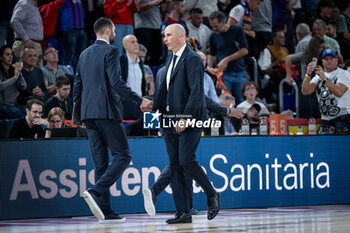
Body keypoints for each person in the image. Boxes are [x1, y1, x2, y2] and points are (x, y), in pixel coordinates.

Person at [73, 17, 152, 223]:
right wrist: (139, 100)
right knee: (123, 156)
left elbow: (77, 86)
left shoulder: (83, 54)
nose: (115, 32)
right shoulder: (111, 51)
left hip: (88, 114)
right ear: (108, 31)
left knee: (101, 164)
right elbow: (116, 82)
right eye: (115, 29)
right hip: (107, 112)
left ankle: (105, 210)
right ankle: (96, 191)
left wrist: (78, 115)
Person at [143, 58, 244, 218]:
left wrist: (225, 111)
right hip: (174, 122)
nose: (201, 61)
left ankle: (173, 199)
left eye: (203, 59)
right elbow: (161, 98)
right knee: (182, 162)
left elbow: (203, 99)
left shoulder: (199, 75)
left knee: (184, 161)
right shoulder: (166, 71)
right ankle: (186, 206)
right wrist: (153, 120)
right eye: (199, 58)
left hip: (191, 122)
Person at [152, 23, 220, 224]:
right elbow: (163, 93)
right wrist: (151, 110)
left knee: (186, 160)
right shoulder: (170, 59)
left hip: (189, 120)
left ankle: (211, 193)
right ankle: (183, 212)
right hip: (169, 121)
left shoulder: (192, 59)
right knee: (175, 166)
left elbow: (196, 92)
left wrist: (185, 118)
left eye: (169, 35)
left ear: (181, 36)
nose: (165, 39)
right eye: (164, 35)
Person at [302, 48, 350, 134]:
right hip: (325, 119)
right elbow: (305, 91)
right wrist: (308, 74)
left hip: (342, 117)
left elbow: (339, 92)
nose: (329, 61)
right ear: (322, 61)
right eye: (326, 59)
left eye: (331, 58)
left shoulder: (344, 74)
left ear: (336, 60)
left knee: (341, 146)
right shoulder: (318, 76)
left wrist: (324, 78)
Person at [207, 11, 249, 105]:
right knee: (224, 102)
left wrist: (227, 59)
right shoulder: (213, 35)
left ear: (223, 22)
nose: (214, 28)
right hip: (224, 75)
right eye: (211, 26)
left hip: (239, 72)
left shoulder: (237, 30)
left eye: (216, 26)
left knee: (242, 102)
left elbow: (244, 50)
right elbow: (211, 54)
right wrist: (209, 67)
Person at [120, 34, 147, 120]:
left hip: (139, 104)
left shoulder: (140, 63)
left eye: (136, 42)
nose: (136, 44)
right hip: (125, 105)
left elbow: (142, 84)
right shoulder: (120, 62)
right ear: (125, 45)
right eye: (132, 42)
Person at [10, 0, 43, 66]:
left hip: (33, 44)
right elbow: (14, 21)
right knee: (27, 73)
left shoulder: (34, 5)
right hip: (26, 44)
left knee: (36, 73)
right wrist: (26, 38)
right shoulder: (25, 3)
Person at [134, 0, 164, 66]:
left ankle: (152, 74)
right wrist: (151, 3)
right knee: (143, 54)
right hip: (143, 26)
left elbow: (163, 10)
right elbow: (135, 8)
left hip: (156, 26)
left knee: (157, 55)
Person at [0, 45, 26, 119]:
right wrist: (15, 78)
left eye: (11, 54)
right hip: (2, 105)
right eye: (7, 54)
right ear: (1, 57)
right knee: (17, 112)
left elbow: (23, 86)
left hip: (14, 104)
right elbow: (1, 86)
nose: (10, 57)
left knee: (28, 111)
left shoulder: (13, 70)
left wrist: (19, 73)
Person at [58, 0, 87, 67]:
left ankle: (79, 75)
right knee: (69, 55)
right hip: (69, 28)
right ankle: (66, 75)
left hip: (81, 27)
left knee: (81, 56)